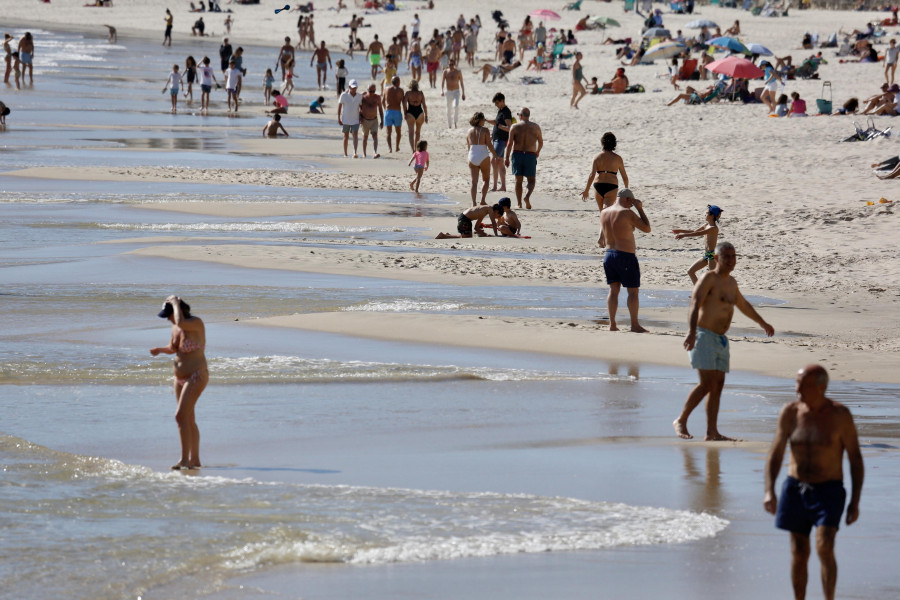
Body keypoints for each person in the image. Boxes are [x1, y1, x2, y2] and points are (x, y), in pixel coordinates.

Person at [763, 365, 864, 600]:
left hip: (828, 490)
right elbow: (775, 454)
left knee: (824, 546)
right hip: (795, 488)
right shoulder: (790, 412)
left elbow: (856, 459)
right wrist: (769, 490)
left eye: (803, 385)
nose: (797, 389)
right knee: (799, 551)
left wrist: (855, 502)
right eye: (796, 383)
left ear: (822, 387)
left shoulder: (840, 416)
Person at [674, 241, 775, 440]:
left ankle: (712, 432)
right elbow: (695, 304)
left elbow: (743, 305)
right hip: (703, 335)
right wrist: (691, 332)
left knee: (717, 385)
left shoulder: (731, 283)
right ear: (717, 258)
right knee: (706, 384)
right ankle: (681, 420)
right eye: (726, 256)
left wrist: (762, 323)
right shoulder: (708, 279)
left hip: (720, 339)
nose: (730, 260)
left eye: (733, 256)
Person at [150, 296, 208, 471]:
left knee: (180, 416)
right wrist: (160, 350)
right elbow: (173, 348)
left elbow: (182, 322)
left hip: (197, 375)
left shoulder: (195, 323)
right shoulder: (175, 326)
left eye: (169, 314)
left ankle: (184, 460)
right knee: (188, 418)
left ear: (178, 311)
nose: (168, 318)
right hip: (180, 378)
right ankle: (195, 460)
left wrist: (175, 302)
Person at [599, 188, 651, 332]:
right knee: (633, 292)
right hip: (625, 255)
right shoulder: (626, 212)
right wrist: (640, 209)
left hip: (609, 254)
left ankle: (612, 324)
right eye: (631, 203)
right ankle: (634, 325)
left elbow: (603, 234)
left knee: (613, 290)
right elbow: (647, 228)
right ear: (628, 199)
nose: (631, 206)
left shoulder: (604, 212)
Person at [504, 107, 543, 210]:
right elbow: (541, 142)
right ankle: (527, 196)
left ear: (520, 116)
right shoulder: (536, 127)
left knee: (518, 180)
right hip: (530, 155)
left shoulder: (514, 127)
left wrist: (506, 158)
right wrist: (537, 152)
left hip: (518, 154)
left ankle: (519, 204)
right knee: (531, 180)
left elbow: (509, 144)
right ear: (528, 116)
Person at [581, 132, 629, 215]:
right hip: (611, 187)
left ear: (602, 143)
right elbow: (624, 177)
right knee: (607, 215)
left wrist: (586, 190)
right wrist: (626, 191)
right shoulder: (618, 158)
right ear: (614, 143)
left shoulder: (597, 157)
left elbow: (592, 175)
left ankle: (603, 227)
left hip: (598, 186)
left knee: (602, 214)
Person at [673, 205, 722, 284]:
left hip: (712, 255)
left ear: (712, 216)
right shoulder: (706, 225)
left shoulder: (713, 228)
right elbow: (694, 231)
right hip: (707, 254)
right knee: (690, 271)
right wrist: (680, 231)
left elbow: (698, 233)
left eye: (706, 213)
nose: (704, 215)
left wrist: (683, 235)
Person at [466, 112, 500, 206]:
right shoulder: (485, 130)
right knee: (486, 180)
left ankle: (473, 203)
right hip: (483, 155)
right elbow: (489, 144)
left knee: (474, 182)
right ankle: (482, 200)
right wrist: (495, 155)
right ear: (480, 120)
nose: (484, 121)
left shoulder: (469, 131)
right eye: (484, 120)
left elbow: (469, 146)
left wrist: (471, 155)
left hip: (472, 155)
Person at [486, 92, 512, 192]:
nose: (496, 105)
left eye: (497, 103)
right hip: (497, 139)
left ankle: (495, 186)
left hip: (501, 140)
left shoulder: (506, 112)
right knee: (500, 162)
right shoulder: (500, 111)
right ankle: (502, 186)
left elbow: (510, 128)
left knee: (494, 160)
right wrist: (487, 121)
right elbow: (496, 123)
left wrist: (499, 126)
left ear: (502, 101)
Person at [435, 204, 502, 238]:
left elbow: (476, 228)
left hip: (466, 219)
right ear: (496, 211)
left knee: (468, 235)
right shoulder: (489, 208)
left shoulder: (483, 211)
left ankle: (448, 235)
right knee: (467, 236)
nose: (497, 218)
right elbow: (493, 222)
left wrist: (486, 235)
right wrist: (496, 235)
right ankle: (444, 236)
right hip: (464, 219)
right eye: (498, 216)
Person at [338, 79, 363, 158]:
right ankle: (345, 153)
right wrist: (338, 118)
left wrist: (361, 117)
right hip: (345, 119)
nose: (354, 89)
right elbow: (339, 106)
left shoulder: (359, 96)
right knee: (346, 136)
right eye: (352, 87)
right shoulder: (344, 95)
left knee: (355, 135)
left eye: (355, 87)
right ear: (349, 87)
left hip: (355, 119)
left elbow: (361, 107)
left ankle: (355, 152)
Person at [402, 79, 427, 151]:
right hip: (420, 113)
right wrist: (426, 116)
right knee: (418, 133)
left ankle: (413, 150)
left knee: (411, 133)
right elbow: (424, 105)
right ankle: (417, 149)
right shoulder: (421, 93)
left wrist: (405, 113)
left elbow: (404, 104)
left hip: (410, 113)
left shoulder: (408, 93)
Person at [360, 83, 384, 158]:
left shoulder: (377, 97)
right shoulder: (363, 97)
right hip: (365, 120)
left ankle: (375, 152)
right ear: (367, 90)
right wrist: (359, 116)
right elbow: (357, 106)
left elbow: (380, 109)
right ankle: (364, 153)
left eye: (373, 91)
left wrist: (382, 120)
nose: (372, 93)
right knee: (365, 137)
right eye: (370, 91)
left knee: (375, 135)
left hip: (374, 120)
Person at [441, 59, 466, 128]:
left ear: (454, 65)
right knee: (448, 109)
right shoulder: (445, 72)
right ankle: (449, 125)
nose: (451, 66)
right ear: (448, 65)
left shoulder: (458, 72)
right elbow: (442, 82)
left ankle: (455, 122)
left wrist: (463, 93)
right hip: (448, 92)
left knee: (456, 106)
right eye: (449, 64)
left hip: (456, 91)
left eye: (452, 64)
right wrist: (442, 90)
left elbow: (461, 83)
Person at [383, 76, 404, 153]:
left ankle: (389, 148)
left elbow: (382, 101)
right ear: (398, 82)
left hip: (388, 112)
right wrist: (405, 113)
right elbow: (403, 103)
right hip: (397, 112)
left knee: (388, 132)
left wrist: (385, 109)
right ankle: (397, 147)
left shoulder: (386, 89)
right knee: (398, 131)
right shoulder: (401, 90)